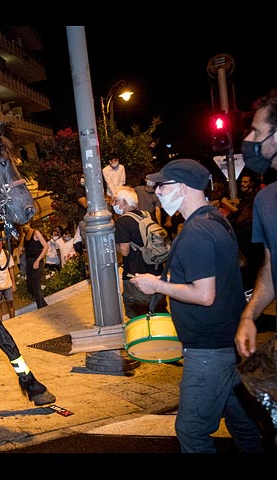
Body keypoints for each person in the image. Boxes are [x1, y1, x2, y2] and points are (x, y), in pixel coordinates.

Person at [130, 158, 264, 453]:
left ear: (182, 187)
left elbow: (205, 295)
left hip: (208, 352)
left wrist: (156, 285)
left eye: (162, 186)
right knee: (242, 424)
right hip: (225, 344)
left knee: (191, 431)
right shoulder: (217, 220)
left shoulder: (196, 233)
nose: (157, 192)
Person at [235, 89, 277, 360]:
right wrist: (249, 315)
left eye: (256, 132)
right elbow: (271, 267)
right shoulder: (265, 201)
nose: (248, 139)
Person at [113, 186, 167, 319]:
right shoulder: (149, 215)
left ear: (124, 202)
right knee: (159, 309)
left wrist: (113, 245)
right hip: (156, 271)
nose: (113, 204)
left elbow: (124, 251)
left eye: (116, 201)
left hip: (136, 274)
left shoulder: (123, 222)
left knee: (139, 316)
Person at [21, 222, 48, 309]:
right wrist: (22, 237)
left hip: (36, 260)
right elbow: (20, 248)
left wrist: (38, 260)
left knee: (36, 286)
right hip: (29, 261)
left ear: (29, 223)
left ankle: (40, 307)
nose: (24, 226)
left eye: (25, 224)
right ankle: (44, 305)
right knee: (30, 287)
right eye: (22, 225)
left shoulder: (35, 232)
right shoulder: (25, 236)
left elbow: (46, 246)